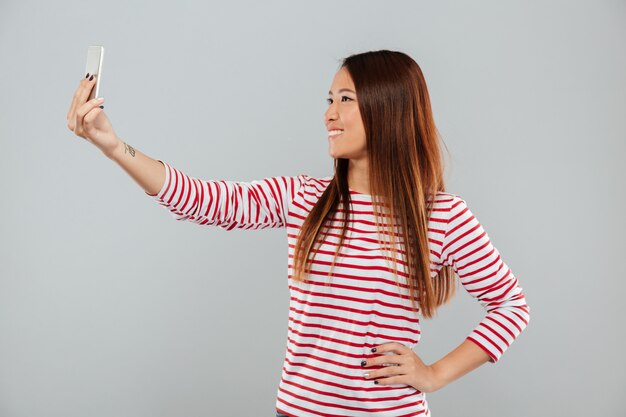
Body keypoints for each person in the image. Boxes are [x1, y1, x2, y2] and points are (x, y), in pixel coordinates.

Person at [67, 49, 530, 417]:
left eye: (345, 99)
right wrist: (113, 145)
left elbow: (512, 305)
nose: (330, 114)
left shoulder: (441, 216)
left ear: (388, 107)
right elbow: (202, 200)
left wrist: (435, 375)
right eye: (329, 100)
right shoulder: (303, 198)